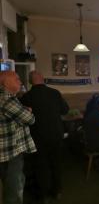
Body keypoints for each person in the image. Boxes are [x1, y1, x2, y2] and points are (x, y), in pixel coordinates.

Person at [20, 71, 69, 203]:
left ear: (30, 81)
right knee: (56, 163)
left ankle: (43, 194)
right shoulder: (55, 93)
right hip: (56, 134)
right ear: (43, 79)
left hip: (37, 136)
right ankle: (57, 190)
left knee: (40, 165)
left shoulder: (26, 96)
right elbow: (65, 110)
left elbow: (23, 118)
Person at [0, 71, 36, 204]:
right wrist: (27, 111)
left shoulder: (6, 98)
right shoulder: (7, 99)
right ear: (6, 83)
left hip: (5, 151)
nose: (20, 82)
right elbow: (30, 119)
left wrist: (22, 109)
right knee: (14, 189)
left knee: (10, 185)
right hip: (11, 153)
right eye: (17, 79)